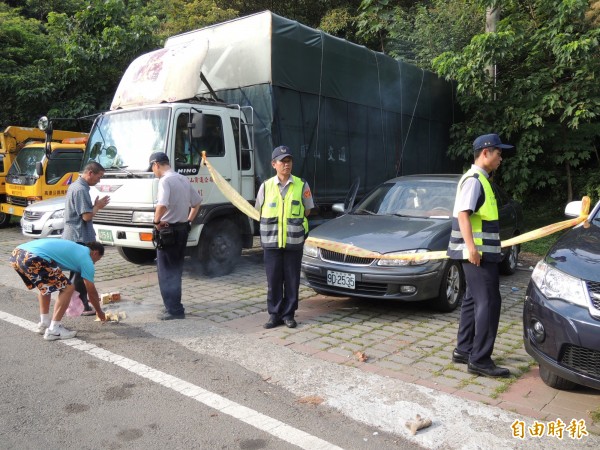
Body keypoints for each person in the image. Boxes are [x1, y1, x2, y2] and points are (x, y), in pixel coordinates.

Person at [447, 133, 514, 378]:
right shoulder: (475, 180)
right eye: (498, 153)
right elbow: (463, 215)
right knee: (489, 302)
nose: (501, 158)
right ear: (485, 153)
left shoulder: (479, 179)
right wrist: (472, 249)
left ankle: (464, 350)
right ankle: (480, 359)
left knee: (473, 299)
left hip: (479, 253)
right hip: (478, 255)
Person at [255, 145, 314, 329]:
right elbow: (258, 210)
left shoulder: (301, 185)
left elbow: (308, 209)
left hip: (293, 243)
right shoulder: (265, 186)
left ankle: (288, 314)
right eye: (282, 161)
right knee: (273, 281)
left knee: (292, 280)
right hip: (271, 243)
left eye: (289, 161)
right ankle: (274, 315)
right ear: (274, 164)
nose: (286, 165)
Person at [9, 239, 107, 340]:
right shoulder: (86, 259)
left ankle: (44, 323)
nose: (94, 263)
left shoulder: (77, 248)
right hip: (34, 257)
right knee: (68, 289)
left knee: (44, 286)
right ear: (95, 253)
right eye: (97, 260)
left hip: (17, 254)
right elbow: (91, 292)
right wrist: (99, 312)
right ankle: (54, 330)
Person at [149, 152, 202, 320]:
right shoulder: (182, 179)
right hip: (182, 230)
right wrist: (188, 221)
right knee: (176, 270)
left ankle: (173, 310)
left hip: (168, 232)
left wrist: (156, 221)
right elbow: (197, 202)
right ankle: (176, 306)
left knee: (166, 272)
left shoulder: (165, 181)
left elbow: (162, 204)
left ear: (156, 164)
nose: (153, 172)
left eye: (152, 168)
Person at [63, 161, 110, 315]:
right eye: (99, 176)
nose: (99, 180)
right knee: (80, 273)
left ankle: (81, 304)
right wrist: (98, 207)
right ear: (90, 172)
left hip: (75, 234)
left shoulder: (77, 186)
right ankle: (79, 306)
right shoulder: (80, 189)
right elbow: (86, 216)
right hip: (78, 236)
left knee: (77, 272)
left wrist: (94, 205)